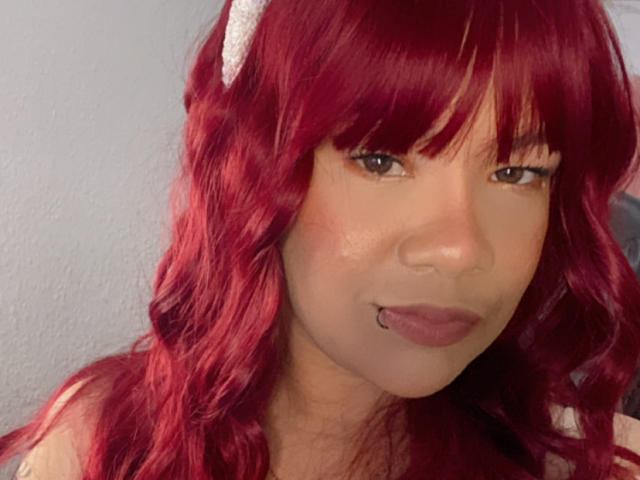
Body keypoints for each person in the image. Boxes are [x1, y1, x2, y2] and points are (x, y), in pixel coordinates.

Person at [2, 0, 640, 478]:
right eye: (380, 160)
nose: (460, 249)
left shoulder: (589, 462)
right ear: (255, 174)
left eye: (518, 172)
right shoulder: (102, 447)